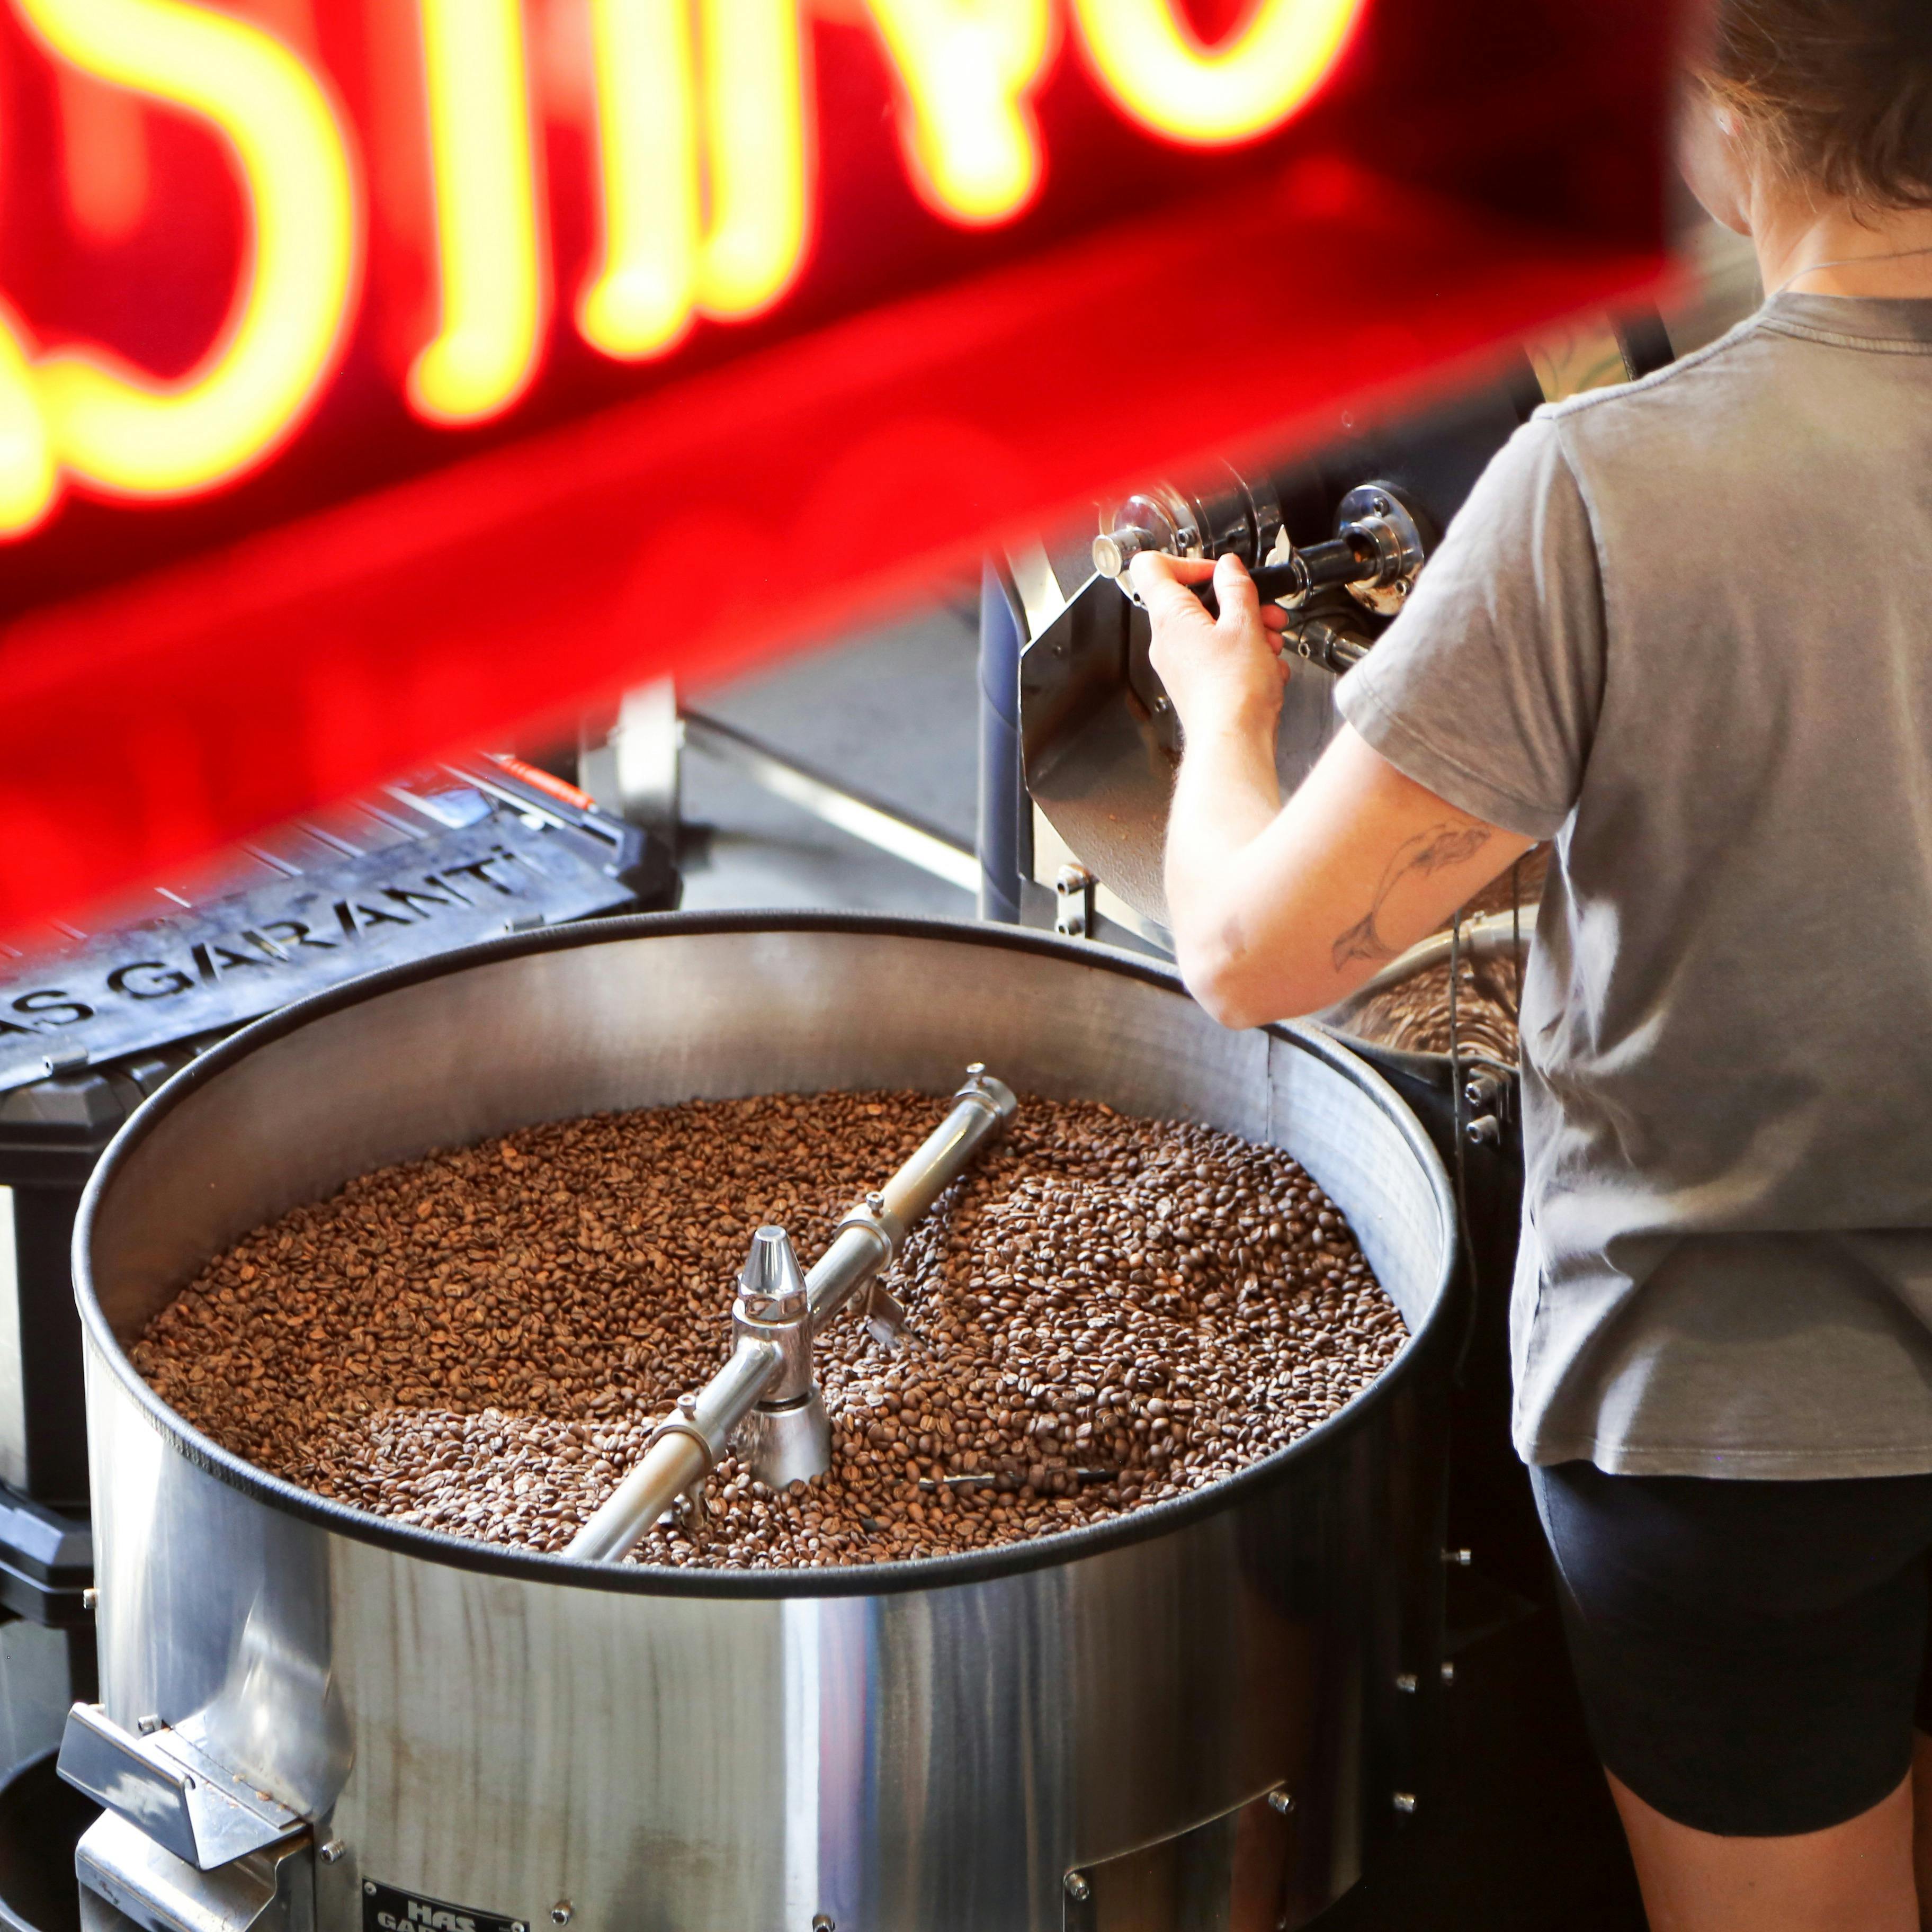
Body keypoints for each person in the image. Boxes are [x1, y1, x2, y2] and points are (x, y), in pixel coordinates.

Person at [1132, 4, 1932, 1928]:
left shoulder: (1608, 486)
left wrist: (1225, 716)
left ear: (1725, 98)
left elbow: (1250, 956)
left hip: (1736, 1426)